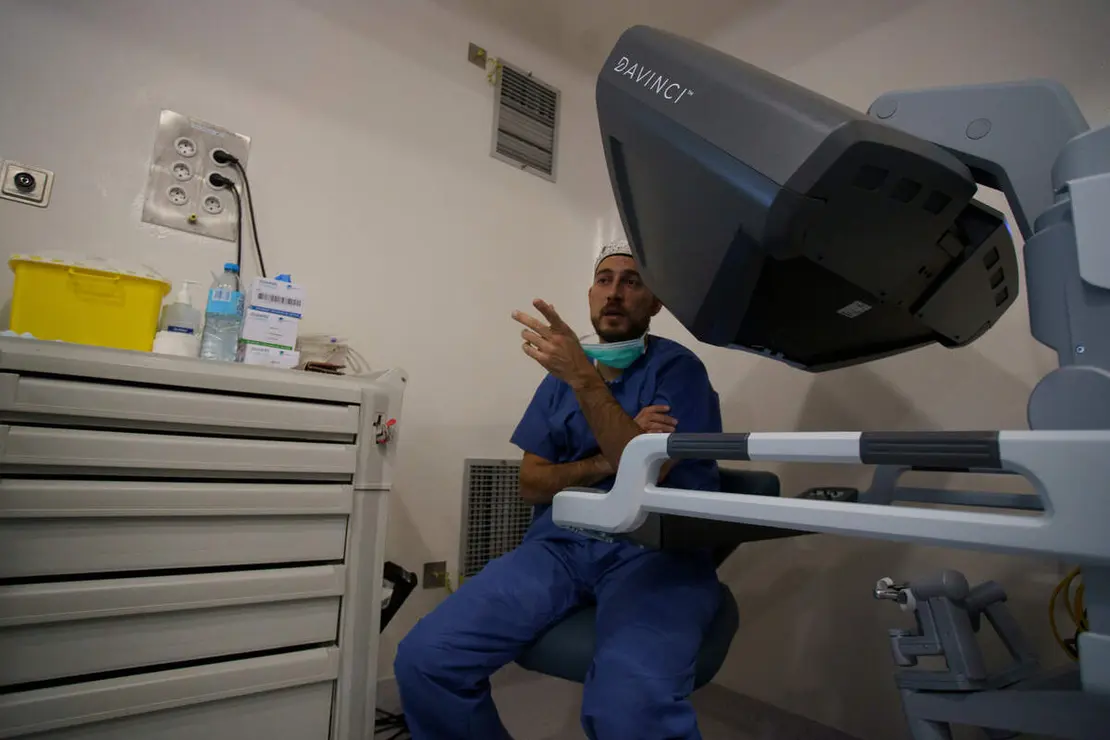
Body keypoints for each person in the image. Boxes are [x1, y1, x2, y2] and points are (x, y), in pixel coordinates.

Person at [394, 240, 724, 739]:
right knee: (426, 660)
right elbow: (531, 483)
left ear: (656, 302)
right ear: (590, 294)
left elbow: (645, 474)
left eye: (632, 281)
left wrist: (585, 382)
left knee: (628, 708)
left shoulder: (678, 371)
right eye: (604, 280)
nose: (614, 292)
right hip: (561, 548)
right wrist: (607, 455)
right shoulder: (559, 381)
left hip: (655, 554)